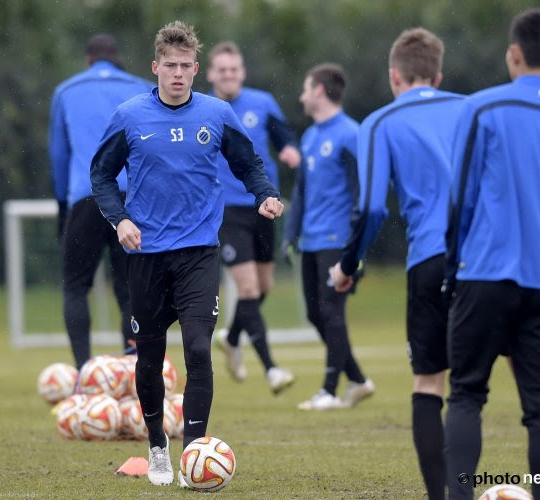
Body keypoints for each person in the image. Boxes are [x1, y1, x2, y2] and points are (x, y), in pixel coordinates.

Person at [90, 21, 282, 488]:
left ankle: (194, 454)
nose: (177, 74)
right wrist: (122, 221)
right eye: (169, 66)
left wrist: (264, 194)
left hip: (199, 252)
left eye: (185, 67)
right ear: (155, 67)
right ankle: (158, 446)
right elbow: (101, 176)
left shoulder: (216, 114)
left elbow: (248, 162)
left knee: (198, 350)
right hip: (147, 255)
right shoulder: (130, 116)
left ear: (197, 70)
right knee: (150, 359)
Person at [443, 9, 540, 500]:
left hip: (484, 273)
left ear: (513, 53)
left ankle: (459, 493)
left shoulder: (481, 108)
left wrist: (452, 269)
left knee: (466, 394)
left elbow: (461, 198)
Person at [329, 28, 463, 500]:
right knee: (506, 377)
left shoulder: (380, 122)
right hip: (491, 262)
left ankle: (443, 495)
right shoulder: (472, 110)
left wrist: (349, 264)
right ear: (439, 75)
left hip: (431, 259)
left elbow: (370, 209)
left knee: (430, 383)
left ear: (394, 76)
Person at [49, 34, 153, 369]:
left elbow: (59, 156)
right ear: (118, 58)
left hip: (87, 198)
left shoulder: (66, 91)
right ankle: (134, 368)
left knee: (76, 287)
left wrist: (63, 209)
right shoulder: (141, 88)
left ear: (88, 60)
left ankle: (84, 372)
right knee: (130, 290)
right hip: (133, 203)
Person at [206, 41, 299, 393]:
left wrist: (290, 150)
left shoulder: (262, 103)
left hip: (264, 205)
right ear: (211, 73)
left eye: (234, 69)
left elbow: (283, 135)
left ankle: (232, 337)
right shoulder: (204, 109)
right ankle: (272, 368)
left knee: (264, 287)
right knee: (247, 287)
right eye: (222, 70)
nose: (228, 75)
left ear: (241, 72)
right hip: (226, 210)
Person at [282, 63, 373, 411]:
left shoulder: (351, 133)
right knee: (317, 315)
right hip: (311, 241)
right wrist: (291, 231)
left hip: (339, 241)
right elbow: (303, 191)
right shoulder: (309, 136)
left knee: (331, 311)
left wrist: (356, 245)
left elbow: (361, 193)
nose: (302, 96)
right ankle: (360, 380)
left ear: (319, 90)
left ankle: (330, 390)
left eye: (306, 88)